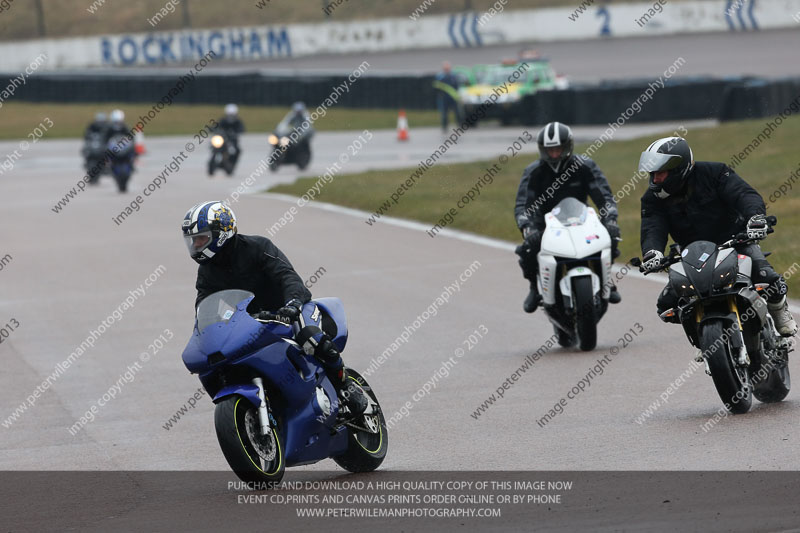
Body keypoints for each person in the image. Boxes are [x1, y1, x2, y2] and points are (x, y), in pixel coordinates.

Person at [181, 201, 369, 414]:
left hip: (289, 311)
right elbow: (205, 305)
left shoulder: (257, 247)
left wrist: (293, 304)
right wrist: (207, 331)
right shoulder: (207, 272)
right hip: (250, 324)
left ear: (222, 233)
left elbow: (286, 276)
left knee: (310, 337)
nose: (196, 246)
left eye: (201, 239)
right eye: (193, 241)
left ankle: (346, 385)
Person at [638, 136, 797, 336]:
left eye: (660, 173)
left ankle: (779, 313)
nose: (655, 180)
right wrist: (652, 252)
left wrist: (756, 219)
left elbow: (743, 194)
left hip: (734, 241)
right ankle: (701, 332)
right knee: (667, 305)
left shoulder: (715, 173)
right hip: (692, 255)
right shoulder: (652, 199)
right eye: (652, 174)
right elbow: (652, 226)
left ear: (679, 168)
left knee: (767, 277)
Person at [515, 122, 622, 313]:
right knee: (527, 249)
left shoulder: (585, 166)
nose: (554, 154)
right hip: (545, 223)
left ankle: (607, 281)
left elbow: (604, 196)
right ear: (542, 150)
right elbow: (524, 204)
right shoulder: (533, 171)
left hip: (580, 218)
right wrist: (527, 226)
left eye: (558, 149)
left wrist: (610, 218)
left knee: (611, 235)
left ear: (568, 146)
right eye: (550, 150)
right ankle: (534, 288)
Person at [434, 61, 463, 132]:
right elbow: (437, 87)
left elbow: (457, 86)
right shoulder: (440, 77)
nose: (447, 69)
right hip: (444, 98)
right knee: (444, 113)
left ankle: (460, 125)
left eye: (448, 68)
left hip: (453, 97)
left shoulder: (453, 76)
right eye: (445, 68)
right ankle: (445, 127)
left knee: (457, 112)